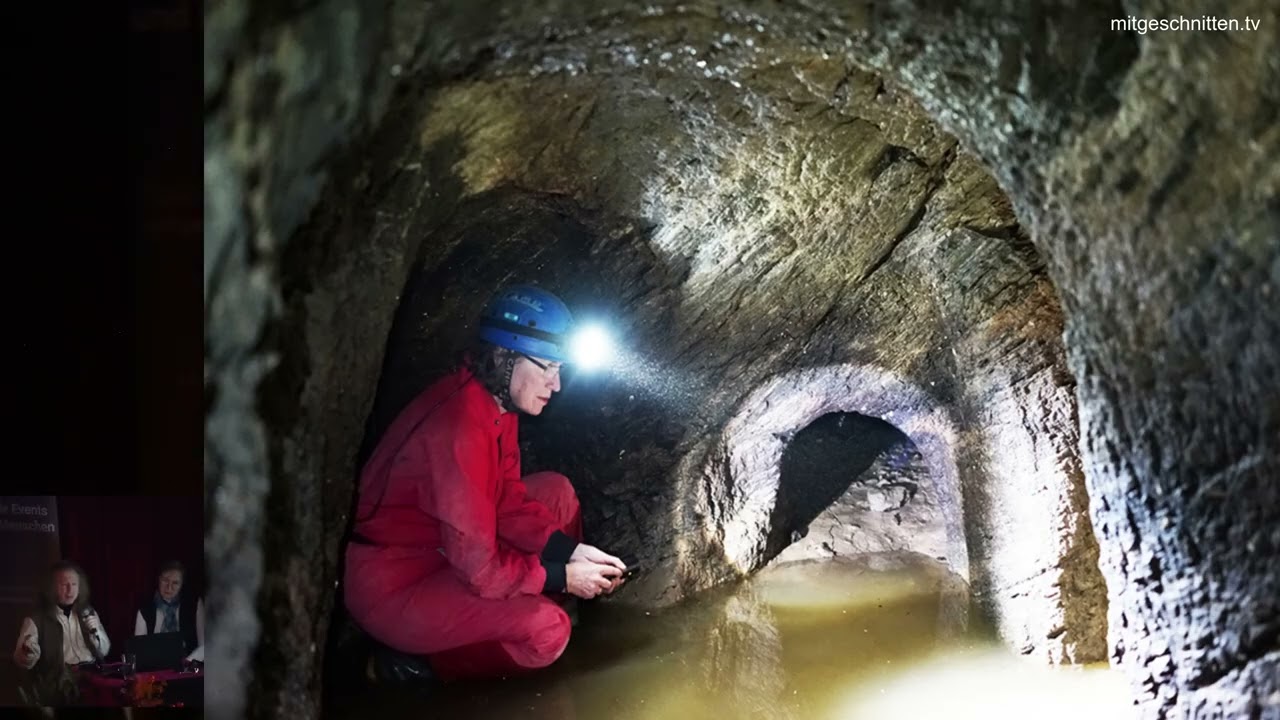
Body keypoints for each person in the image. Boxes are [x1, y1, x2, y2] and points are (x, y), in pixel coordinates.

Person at [344, 284, 628, 688]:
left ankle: (535, 602)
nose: (557, 384)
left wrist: (576, 553)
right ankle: (415, 665)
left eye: (560, 369)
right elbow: (481, 571)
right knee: (549, 631)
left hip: (445, 547)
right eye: (546, 366)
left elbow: (508, 502)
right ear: (504, 356)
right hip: (397, 585)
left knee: (556, 492)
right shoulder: (461, 430)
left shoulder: (496, 403)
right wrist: (562, 577)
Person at [12, 561, 111, 706]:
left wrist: (95, 632)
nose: (70, 590)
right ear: (52, 588)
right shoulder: (35, 620)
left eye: (74, 584)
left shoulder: (87, 612)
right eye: (64, 585)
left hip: (93, 675)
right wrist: (28, 652)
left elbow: (104, 651)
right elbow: (21, 661)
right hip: (59, 682)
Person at [134, 560, 204, 663]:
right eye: (165, 580)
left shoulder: (194, 604)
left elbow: (205, 645)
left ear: (182, 585)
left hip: (190, 668)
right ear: (159, 579)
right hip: (155, 669)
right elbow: (139, 650)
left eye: (175, 583)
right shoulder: (145, 609)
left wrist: (186, 664)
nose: (169, 587)